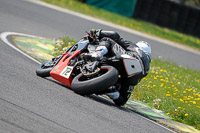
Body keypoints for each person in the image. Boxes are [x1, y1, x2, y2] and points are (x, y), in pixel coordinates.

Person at [87, 29, 151, 105]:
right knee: (123, 99)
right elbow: (123, 100)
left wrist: (98, 32)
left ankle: (98, 54)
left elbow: (115, 36)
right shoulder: (147, 66)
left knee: (107, 40)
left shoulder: (135, 47)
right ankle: (112, 92)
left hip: (129, 58)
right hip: (136, 75)